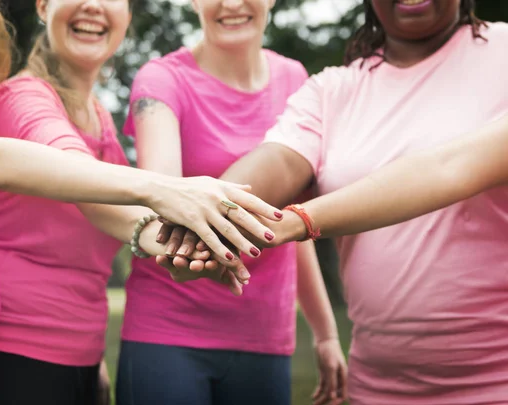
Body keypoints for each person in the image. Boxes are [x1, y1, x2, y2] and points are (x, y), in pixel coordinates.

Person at [0, 0, 280, 404]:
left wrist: (184, 245)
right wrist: (167, 192)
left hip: (77, 353)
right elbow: (72, 176)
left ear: (128, 16)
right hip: (13, 352)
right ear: (43, 7)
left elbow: (117, 217)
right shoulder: (20, 99)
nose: (93, 5)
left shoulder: (99, 114)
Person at [160, 1, 508, 403]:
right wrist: (200, 224)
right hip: (376, 386)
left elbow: (450, 169)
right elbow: (278, 161)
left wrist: (297, 220)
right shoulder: (333, 89)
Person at [116, 0, 347, 404]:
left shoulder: (294, 78)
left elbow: (289, 221)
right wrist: (190, 255)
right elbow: (164, 197)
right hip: (167, 331)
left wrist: (325, 332)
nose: (232, 4)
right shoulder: (162, 80)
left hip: (265, 335)